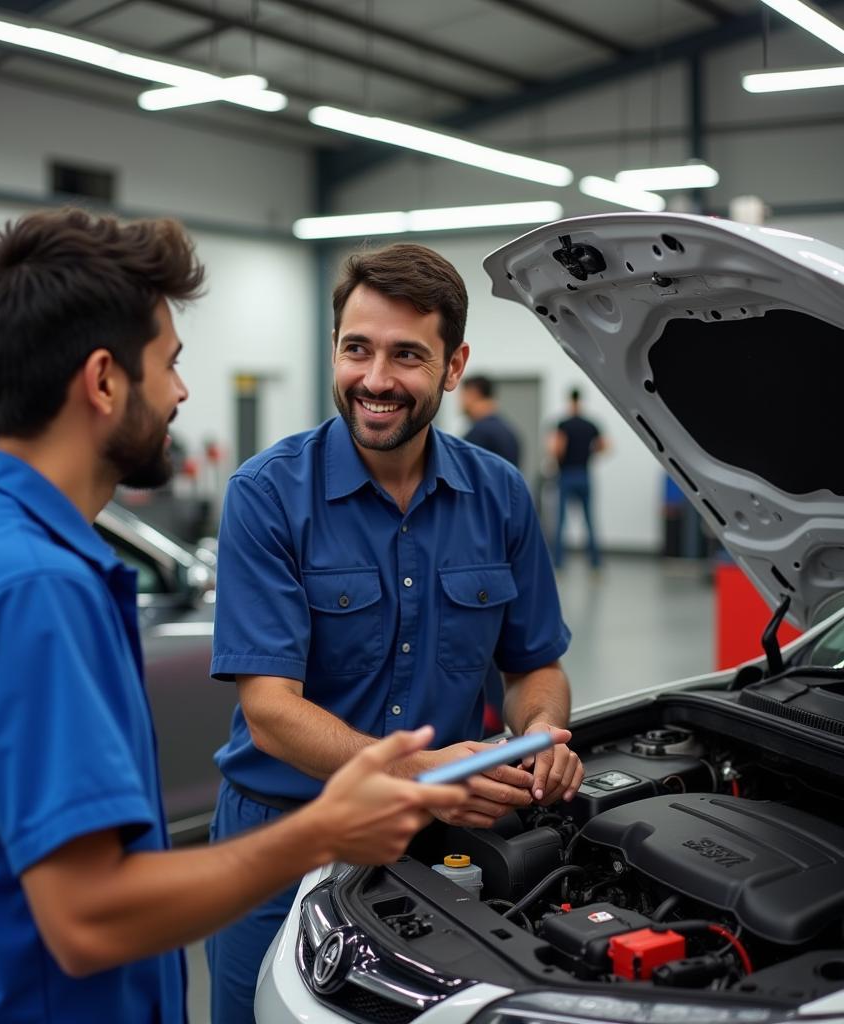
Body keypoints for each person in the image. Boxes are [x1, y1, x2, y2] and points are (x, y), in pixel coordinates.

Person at [0, 210, 469, 1024]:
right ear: (105, 380)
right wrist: (324, 830)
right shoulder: (32, 588)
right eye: (168, 364)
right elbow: (88, 917)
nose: (180, 392)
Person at [208, 242, 584, 1022]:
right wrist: (423, 771)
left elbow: (533, 666)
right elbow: (272, 711)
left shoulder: (500, 496)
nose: (375, 380)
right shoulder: (268, 496)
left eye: (407, 355)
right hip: (283, 839)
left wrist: (543, 733)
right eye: (357, 349)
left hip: (432, 848)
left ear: (454, 365)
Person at [548, 387, 609, 569]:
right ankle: (595, 563)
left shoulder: (563, 424)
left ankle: (558, 562)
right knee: (589, 520)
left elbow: (558, 449)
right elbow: (605, 446)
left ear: (569, 401)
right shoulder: (590, 424)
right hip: (584, 474)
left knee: (560, 521)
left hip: (566, 474)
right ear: (581, 400)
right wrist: (589, 453)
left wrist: (557, 461)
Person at [459, 374, 521, 468]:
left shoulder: (479, 433)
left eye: (463, 396)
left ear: (473, 394)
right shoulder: (508, 431)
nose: (460, 402)